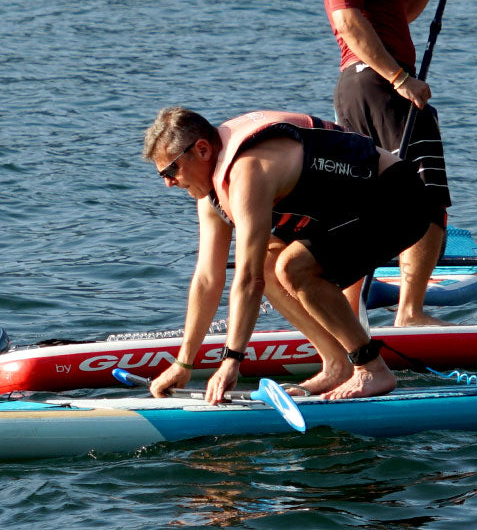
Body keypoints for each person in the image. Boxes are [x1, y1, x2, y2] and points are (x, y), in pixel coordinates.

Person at [143, 107, 445, 403]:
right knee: (269, 262)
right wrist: (184, 363)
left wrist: (232, 360)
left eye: (171, 170)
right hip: (345, 210)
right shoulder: (212, 190)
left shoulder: (248, 171)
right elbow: (208, 278)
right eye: (162, 175)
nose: (169, 182)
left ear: (203, 149)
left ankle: (371, 368)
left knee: (293, 268)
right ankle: (337, 365)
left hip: (399, 200)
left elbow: (249, 280)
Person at [317, 0, 466, 326]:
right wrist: (401, 78)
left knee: (368, 201)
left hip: (367, 86)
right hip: (379, 87)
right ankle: (410, 314)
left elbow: (397, 14)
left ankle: (349, 316)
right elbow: (348, 21)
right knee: (426, 197)